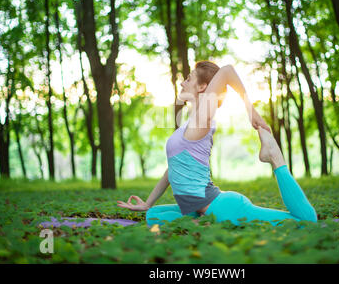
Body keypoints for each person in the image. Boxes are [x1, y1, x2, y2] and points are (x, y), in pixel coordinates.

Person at [117, 61, 317, 227]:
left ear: (203, 86)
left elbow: (227, 71)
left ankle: (275, 156)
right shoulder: (189, 123)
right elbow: (174, 169)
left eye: (188, 78)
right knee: (153, 215)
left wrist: (251, 111)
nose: (182, 82)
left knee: (305, 222)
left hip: (225, 209)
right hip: (208, 207)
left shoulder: (202, 118)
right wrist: (148, 203)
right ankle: (202, 220)